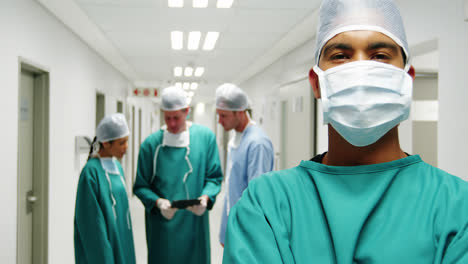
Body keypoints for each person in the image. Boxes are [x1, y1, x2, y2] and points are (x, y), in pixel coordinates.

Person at [223, 0, 468, 263]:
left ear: (406, 80)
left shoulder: (456, 207)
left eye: (380, 56)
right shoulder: (266, 204)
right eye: (341, 56)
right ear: (317, 84)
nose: (360, 70)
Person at [133, 86, 223, 264]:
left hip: (194, 225)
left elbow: (214, 177)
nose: (172, 123)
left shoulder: (205, 139)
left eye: (176, 117)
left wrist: (205, 198)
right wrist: (158, 202)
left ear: (187, 112)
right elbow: (140, 186)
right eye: (167, 118)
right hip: (163, 227)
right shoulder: (151, 145)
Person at [215, 83, 274, 246]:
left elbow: (256, 199)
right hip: (235, 227)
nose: (219, 121)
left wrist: (241, 238)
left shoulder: (257, 143)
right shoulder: (238, 137)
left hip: (247, 233)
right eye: (218, 115)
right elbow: (231, 189)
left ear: (240, 112)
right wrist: (225, 230)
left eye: (223, 116)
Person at [74, 113, 136, 264]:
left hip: (122, 239)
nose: (126, 148)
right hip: (103, 249)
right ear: (106, 143)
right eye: (121, 143)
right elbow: (92, 226)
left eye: (127, 141)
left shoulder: (118, 168)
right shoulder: (91, 173)